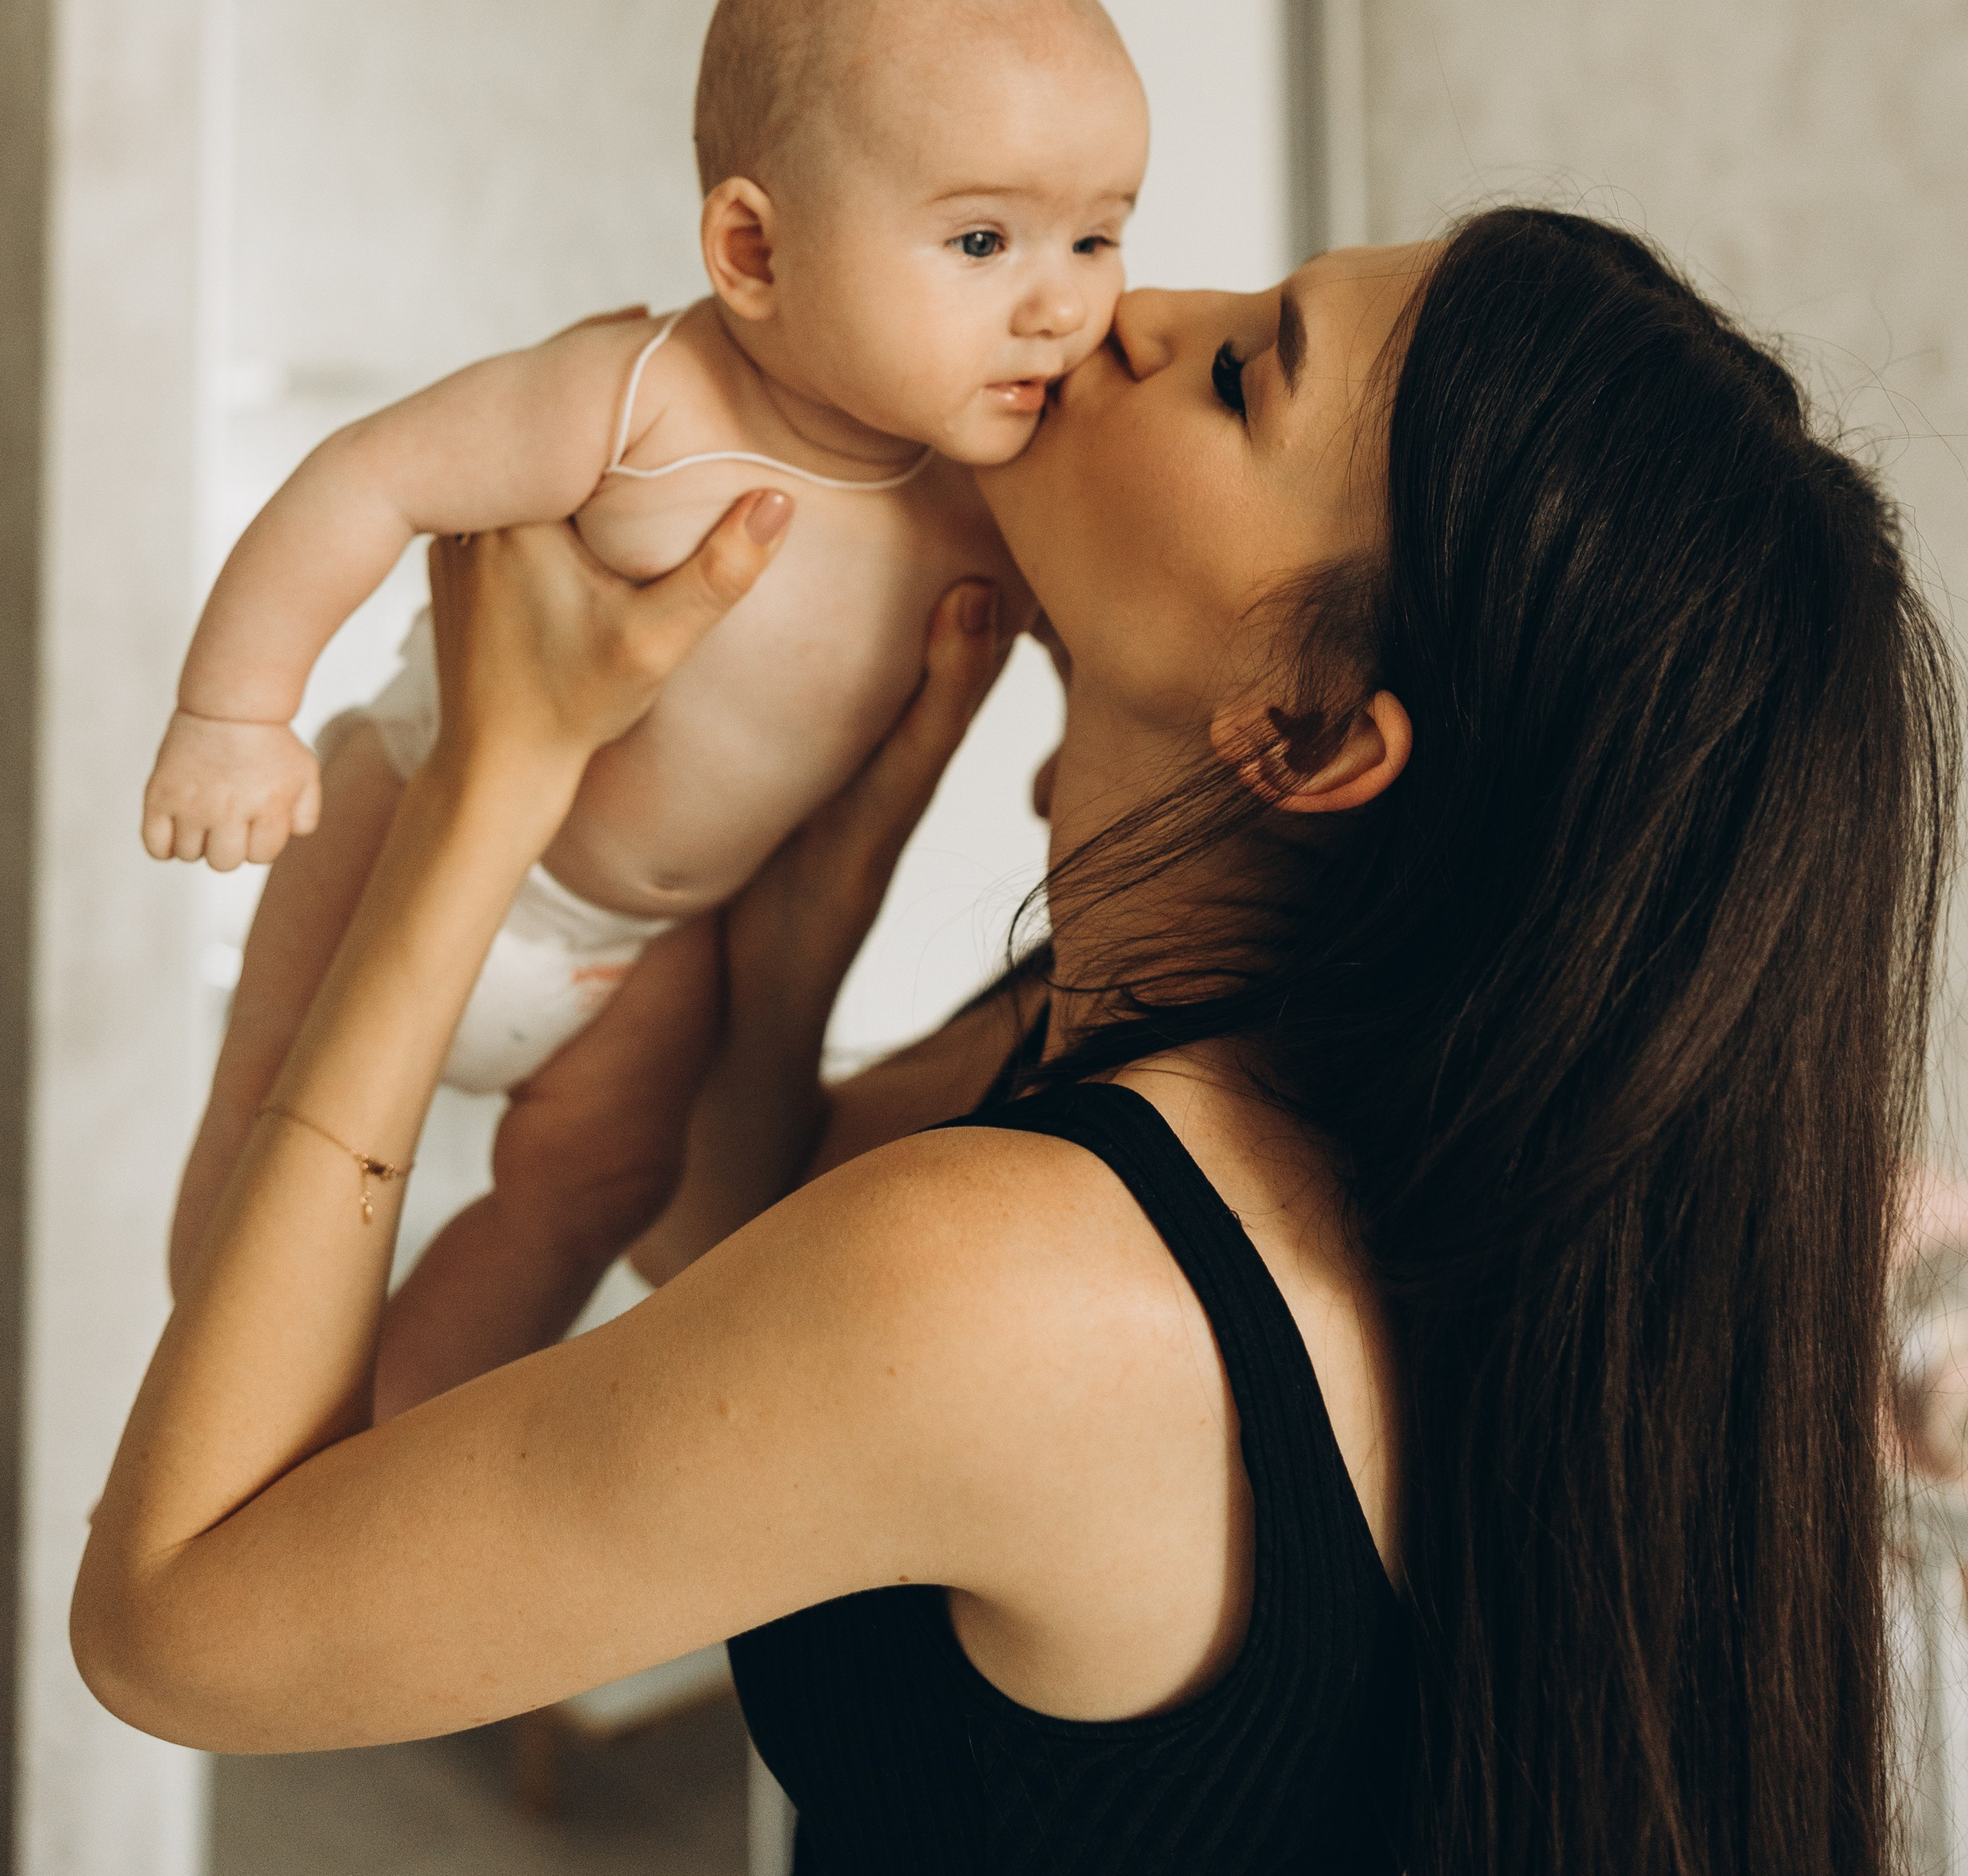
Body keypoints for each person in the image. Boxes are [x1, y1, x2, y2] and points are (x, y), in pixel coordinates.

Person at [75, 210, 1953, 1876]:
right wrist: (827, 876)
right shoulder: (1252, 1094)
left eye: (1238, 375)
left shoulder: (1030, 1287)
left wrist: (491, 780)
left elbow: (176, 1627)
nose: (1127, 309)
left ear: (1303, 736)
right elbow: (734, 1240)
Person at [153, 0, 1146, 1289]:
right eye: (985, 242)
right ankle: (217, 1407)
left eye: (1098, 238)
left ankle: (416, 1427)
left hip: (642, 944)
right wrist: (235, 716)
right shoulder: (638, 397)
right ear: (754, 250)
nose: (1061, 306)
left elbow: (1101, 643)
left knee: (601, 1191)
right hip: (408, 811)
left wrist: (1078, 739)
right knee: (268, 1133)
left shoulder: (995, 492)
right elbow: (367, 477)